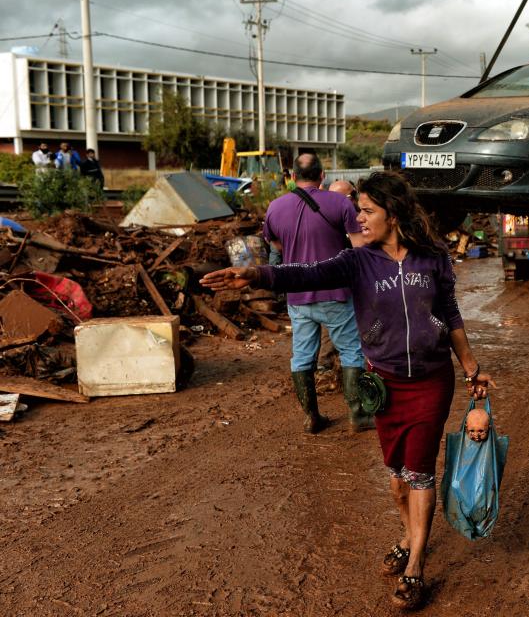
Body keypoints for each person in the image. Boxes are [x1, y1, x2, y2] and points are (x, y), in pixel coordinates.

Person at [201, 171, 495, 610]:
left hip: (432, 382)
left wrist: (471, 367)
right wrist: (255, 275)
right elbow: (307, 273)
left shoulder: (432, 257)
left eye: (367, 210)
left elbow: (450, 312)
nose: (358, 217)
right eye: (358, 209)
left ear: (392, 215)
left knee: (419, 472)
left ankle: (415, 565)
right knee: (397, 481)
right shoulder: (357, 261)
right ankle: (408, 533)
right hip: (386, 384)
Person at [262, 152, 372, 434]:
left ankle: (311, 416)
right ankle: (357, 415)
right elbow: (360, 248)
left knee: (301, 357)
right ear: (323, 176)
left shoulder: (274, 208)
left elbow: (276, 247)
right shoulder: (339, 203)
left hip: (297, 294)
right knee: (351, 351)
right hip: (336, 292)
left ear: (291, 178)